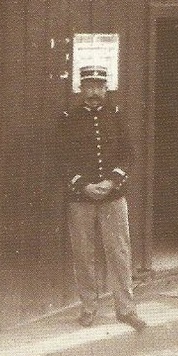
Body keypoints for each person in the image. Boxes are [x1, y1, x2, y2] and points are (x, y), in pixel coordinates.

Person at [56, 64, 146, 330]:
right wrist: (82, 185)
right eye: (89, 86)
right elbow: (61, 160)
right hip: (81, 198)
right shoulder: (68, 118)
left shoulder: (116, 116)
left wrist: (112, 180)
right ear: (81, 89)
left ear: (106, 89)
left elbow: (128, 154)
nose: (94, 91)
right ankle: (88, 307)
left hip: (113, 196)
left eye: (99, 86)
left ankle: (126, 309)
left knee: (119, 251)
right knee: (84, 254)